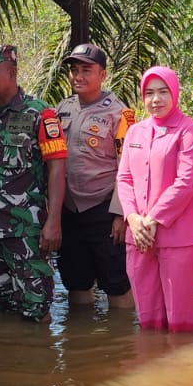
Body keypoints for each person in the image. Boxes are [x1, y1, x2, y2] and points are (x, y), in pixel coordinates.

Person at [0, 44, 68, 321]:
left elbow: (57, 168)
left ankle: (40, 360)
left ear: (12, 72)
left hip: (26, 231)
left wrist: (54, 221)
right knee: (3, 306)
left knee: (36, 309)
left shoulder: (41, 114)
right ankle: (8, 361)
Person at [117, 67, 193, 331]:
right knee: (147, 319)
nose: (155, 99)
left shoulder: (189, 130)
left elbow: (186, 182)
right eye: (149, 93)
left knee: (181, 320)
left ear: (174, 93)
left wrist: (153, 219)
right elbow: (124, 178)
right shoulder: (135, 132)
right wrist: (133, 218)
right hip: (138, 236)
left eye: (162, 92)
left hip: (180, 238)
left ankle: (183, 371)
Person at [54, 42, 134, 309]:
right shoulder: (61, 109)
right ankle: (80, 344)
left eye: (86, 70)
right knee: (75, 283)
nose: (78, 76)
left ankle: (120, 342)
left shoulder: (121, 114)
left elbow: (129, 165)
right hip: (69, 209)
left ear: (103, 74)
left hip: (103, 209)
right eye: (74, 70)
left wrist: (120, 214)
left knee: (116, 283)